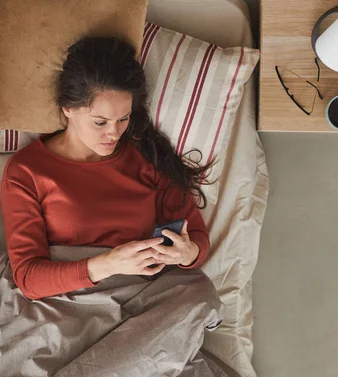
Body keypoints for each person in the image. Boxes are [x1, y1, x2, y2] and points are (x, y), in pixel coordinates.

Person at [0, 36, 212, 301]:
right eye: (100, 122)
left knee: (200, 292)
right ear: (68, 108)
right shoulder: (27, 171)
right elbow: (29, 279)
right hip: (63, 301)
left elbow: (197, 238)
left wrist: (186, 253)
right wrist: (110, 263)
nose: (114, 133)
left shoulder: (148, 156)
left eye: (123, 119)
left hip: (138, 298)